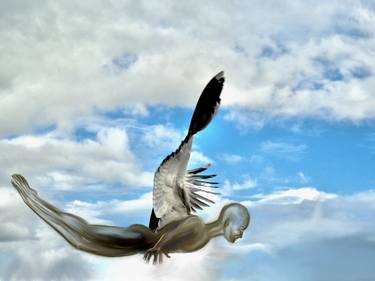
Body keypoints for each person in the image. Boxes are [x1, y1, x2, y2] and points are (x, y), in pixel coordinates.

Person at [11, 174, 250, 264]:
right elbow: (185, 229)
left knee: (81, 240)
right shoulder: (200, 229)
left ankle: (35, 203)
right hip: (141, 238)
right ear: (230, 220)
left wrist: (161, 247)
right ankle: (33, 200)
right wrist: (160, 246)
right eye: (241, 227)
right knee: (85, 233)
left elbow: (179, 233)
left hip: (139, 244)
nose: (241, 233)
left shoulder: (203, 235)